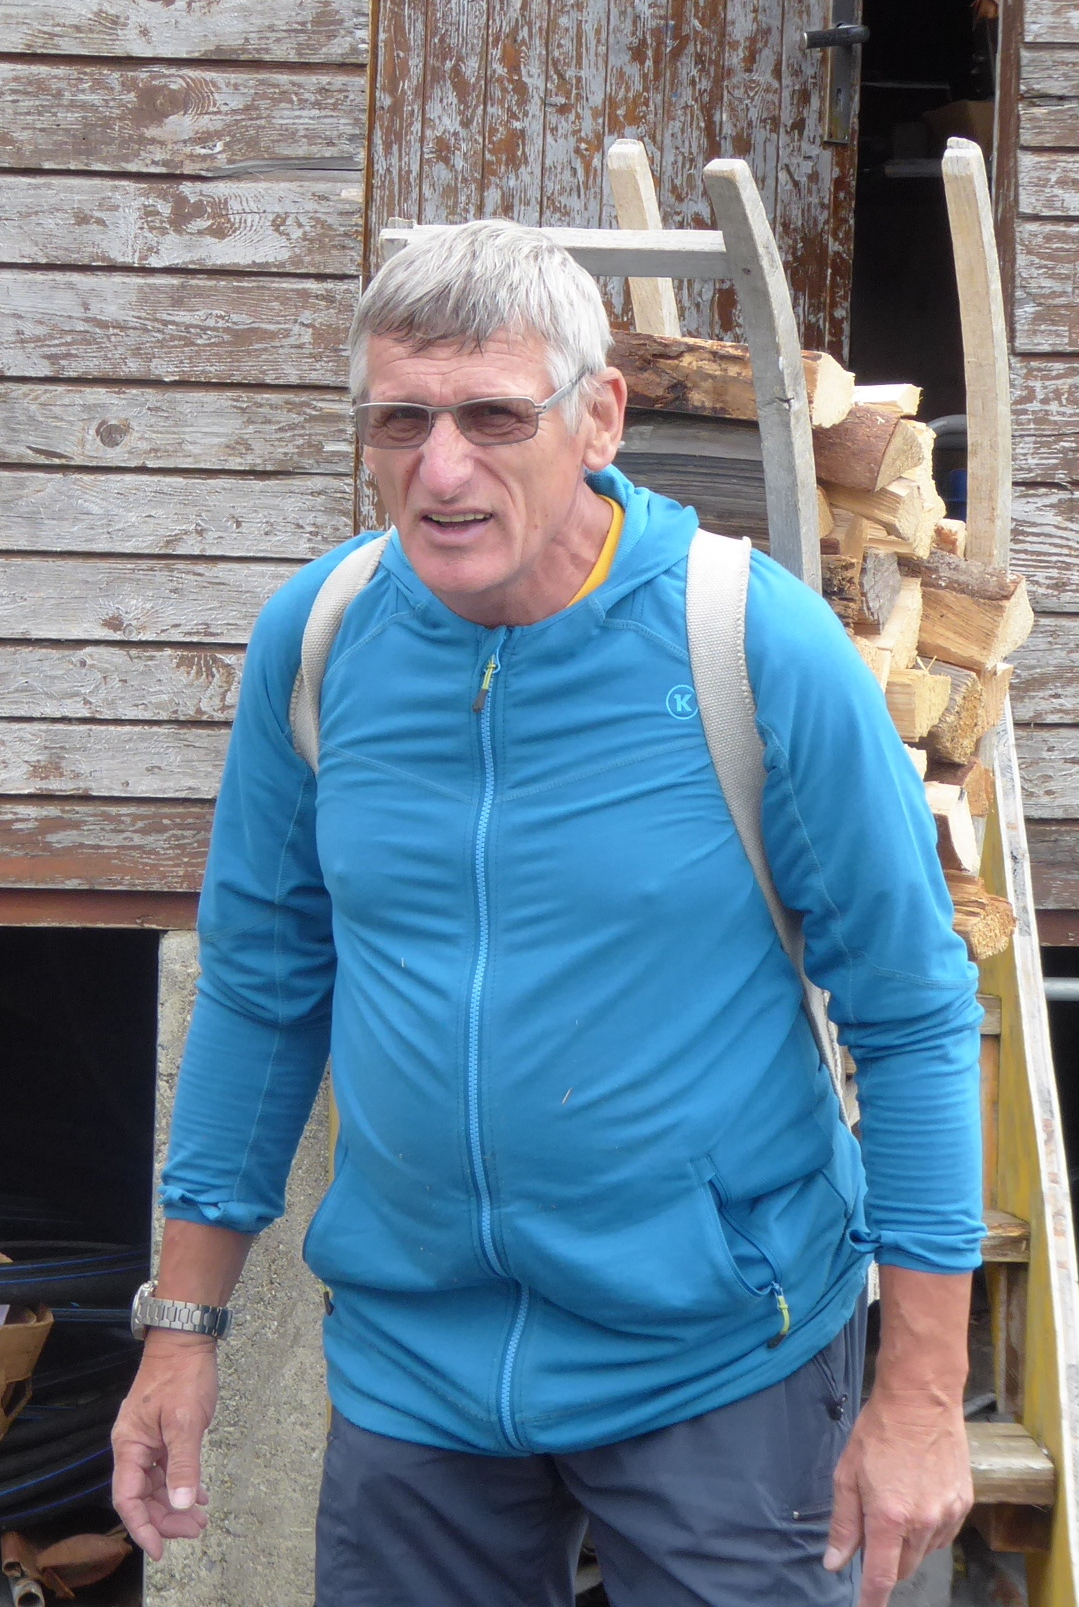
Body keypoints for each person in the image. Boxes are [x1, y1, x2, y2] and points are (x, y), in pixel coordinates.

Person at [112, 221, 983, 1607]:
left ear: (600, 418)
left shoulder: (751, 645)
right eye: (401, 420)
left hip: (716, 1362)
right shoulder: (321, 641)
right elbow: (264, 990)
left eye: (494, 417)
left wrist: (924, 1396)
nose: (442, 469)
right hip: (417, 1376)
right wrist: (182, 1328)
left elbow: (916, 1015)